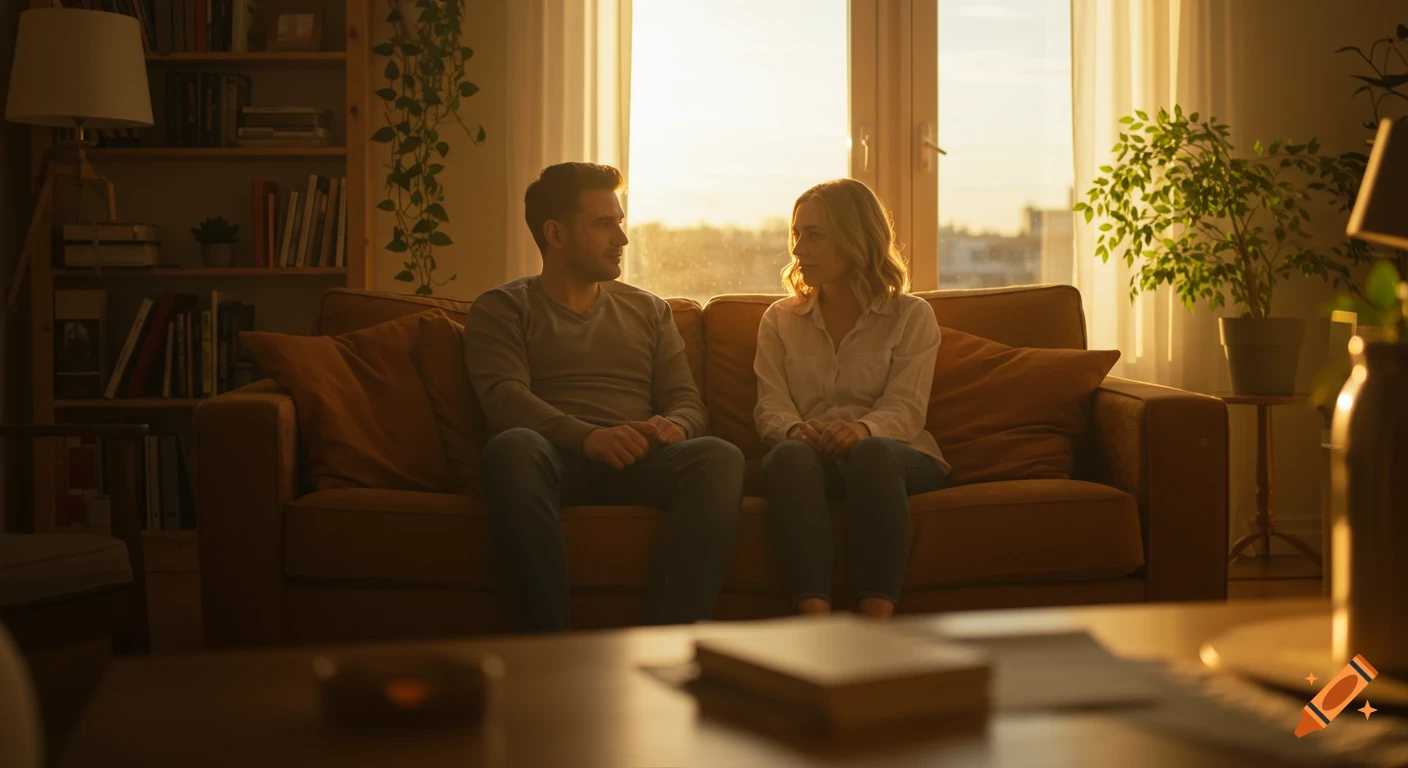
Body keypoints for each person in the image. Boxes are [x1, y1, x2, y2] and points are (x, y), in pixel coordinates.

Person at [464, 162, 745, 633]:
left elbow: (687, 402)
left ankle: (669, 641)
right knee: (511, 448)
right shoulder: (503, 307)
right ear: (555, 233)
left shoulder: (648, 309)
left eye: (620, 223)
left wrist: (673, 426)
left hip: (641, 460)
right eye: (603, 224)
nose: (622, 239)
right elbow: (504, 396)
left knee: (718, 456)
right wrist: (588, 437)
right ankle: (549, 645)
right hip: (554, 461)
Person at [753, 178, 949, 620]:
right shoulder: (779, 320)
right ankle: (816, 618)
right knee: (787, 456)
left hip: (895, 458)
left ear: (856, 237)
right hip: (813, 458)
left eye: (815, 234)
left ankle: (876, 620)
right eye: (797, 234)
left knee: (872, 452)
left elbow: (907, 407)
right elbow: (770, 405)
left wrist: (862, 430)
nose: (799, 249)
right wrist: (795, 429)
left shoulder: (911, 315)